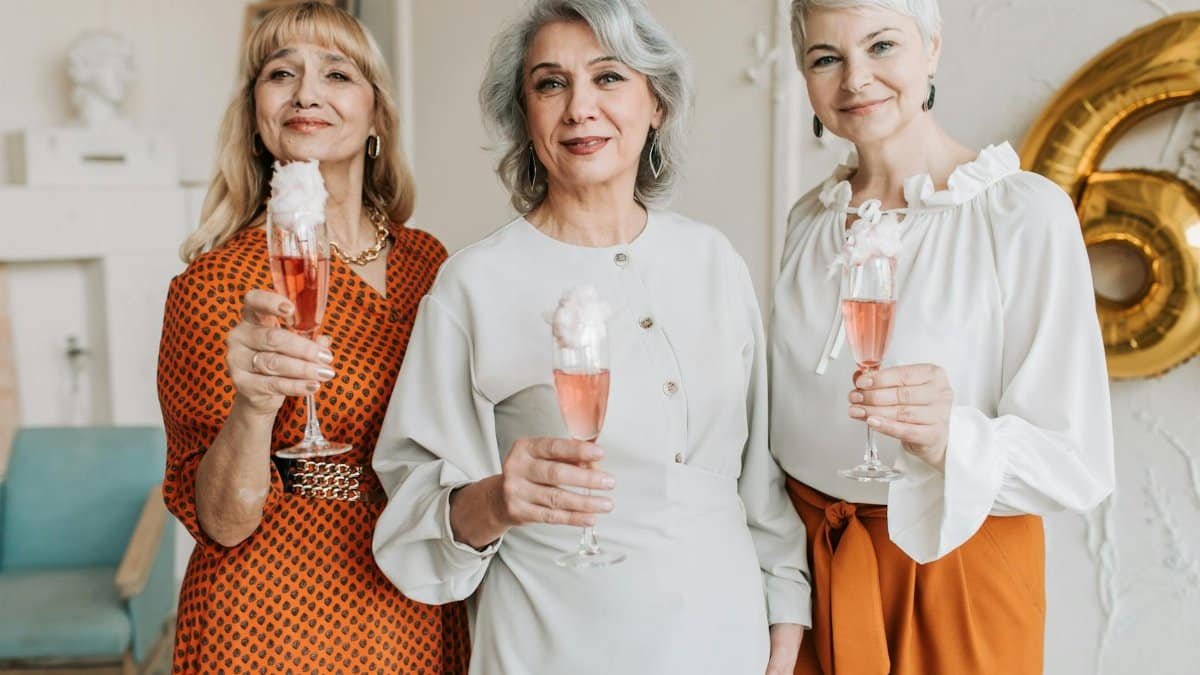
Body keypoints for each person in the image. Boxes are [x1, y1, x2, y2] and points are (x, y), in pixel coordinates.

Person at [370, 1, 810, 673]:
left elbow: (760, 482)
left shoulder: (714, 261)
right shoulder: (474, 284)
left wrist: (785, 618)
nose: (579, 107)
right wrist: (495, 499)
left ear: (656, 102)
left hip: (723, 641)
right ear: (526, 115)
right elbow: (410, 524)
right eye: (551, 83)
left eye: (609, 77)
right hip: (549, 645)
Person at [770, 1, 1115, 673]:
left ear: (931, 47)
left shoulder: (1022, 215)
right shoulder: (807, 221)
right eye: (826, 58)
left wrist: (949, 437)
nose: (855, 80)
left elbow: (1077, 459)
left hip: (956, 573)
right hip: (815, 566)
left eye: (881, 46)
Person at [158, 3, 468, 672]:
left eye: (337, 72)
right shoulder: (212, 287)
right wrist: (254, 407)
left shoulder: (431, 264)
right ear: (254, 111)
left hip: (412, 592)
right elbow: (223, 521)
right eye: (280, 73)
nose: (307, 92)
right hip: (272, 617)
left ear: (377, 113)